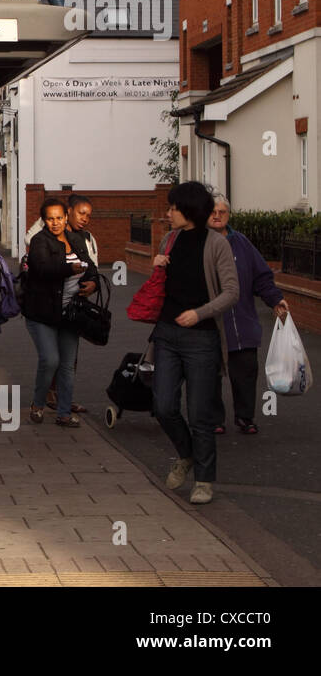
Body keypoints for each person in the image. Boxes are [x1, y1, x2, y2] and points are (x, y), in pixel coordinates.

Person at [150, 182, 239, 505]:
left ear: (188, 211)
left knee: (201, 414)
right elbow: (161, 286)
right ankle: (186, 455)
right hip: (166, 335)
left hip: (201, 339)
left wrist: (199, 314)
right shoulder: (169, 239)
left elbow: (232, 292)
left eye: (174, 208)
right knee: (162, 406)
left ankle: (203, 480)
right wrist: (157, 266)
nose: (169, 212)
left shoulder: (217, 245)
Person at [206, 194, 289, 435]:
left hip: (242, 324)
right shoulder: (200, 243)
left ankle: (245, 417)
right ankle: (214, 419)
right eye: (213, 211)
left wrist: (276, 300)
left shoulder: (241, 243)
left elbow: (262, 277)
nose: (217, 215)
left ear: (228, 215)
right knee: (210, 374)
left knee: (245, 373)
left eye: (222, 211)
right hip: (211, 323)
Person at [22, 197, 97, 428]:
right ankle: (37, 404)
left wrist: (93, 282)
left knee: (67, 365)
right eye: (50, 219)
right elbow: (42, 267)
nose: (55, 223)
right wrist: (69, 268)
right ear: (44, 221)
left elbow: (91, 267)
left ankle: (64, 413)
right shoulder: (39, 241)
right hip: (42, 313)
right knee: (50, 359)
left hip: (70, 313)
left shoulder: (76, 239)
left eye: (59, 218)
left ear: (66, 217)